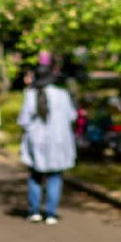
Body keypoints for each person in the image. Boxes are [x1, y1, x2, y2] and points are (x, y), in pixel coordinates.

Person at [18, 64, 77, 224]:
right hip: (57, 141)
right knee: (54, 177)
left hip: (36, 141)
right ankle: (51, 213)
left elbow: (23, 120)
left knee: (35, 176)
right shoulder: (62, 94)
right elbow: (72, 116)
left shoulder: (30, 94)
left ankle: (35, 211)